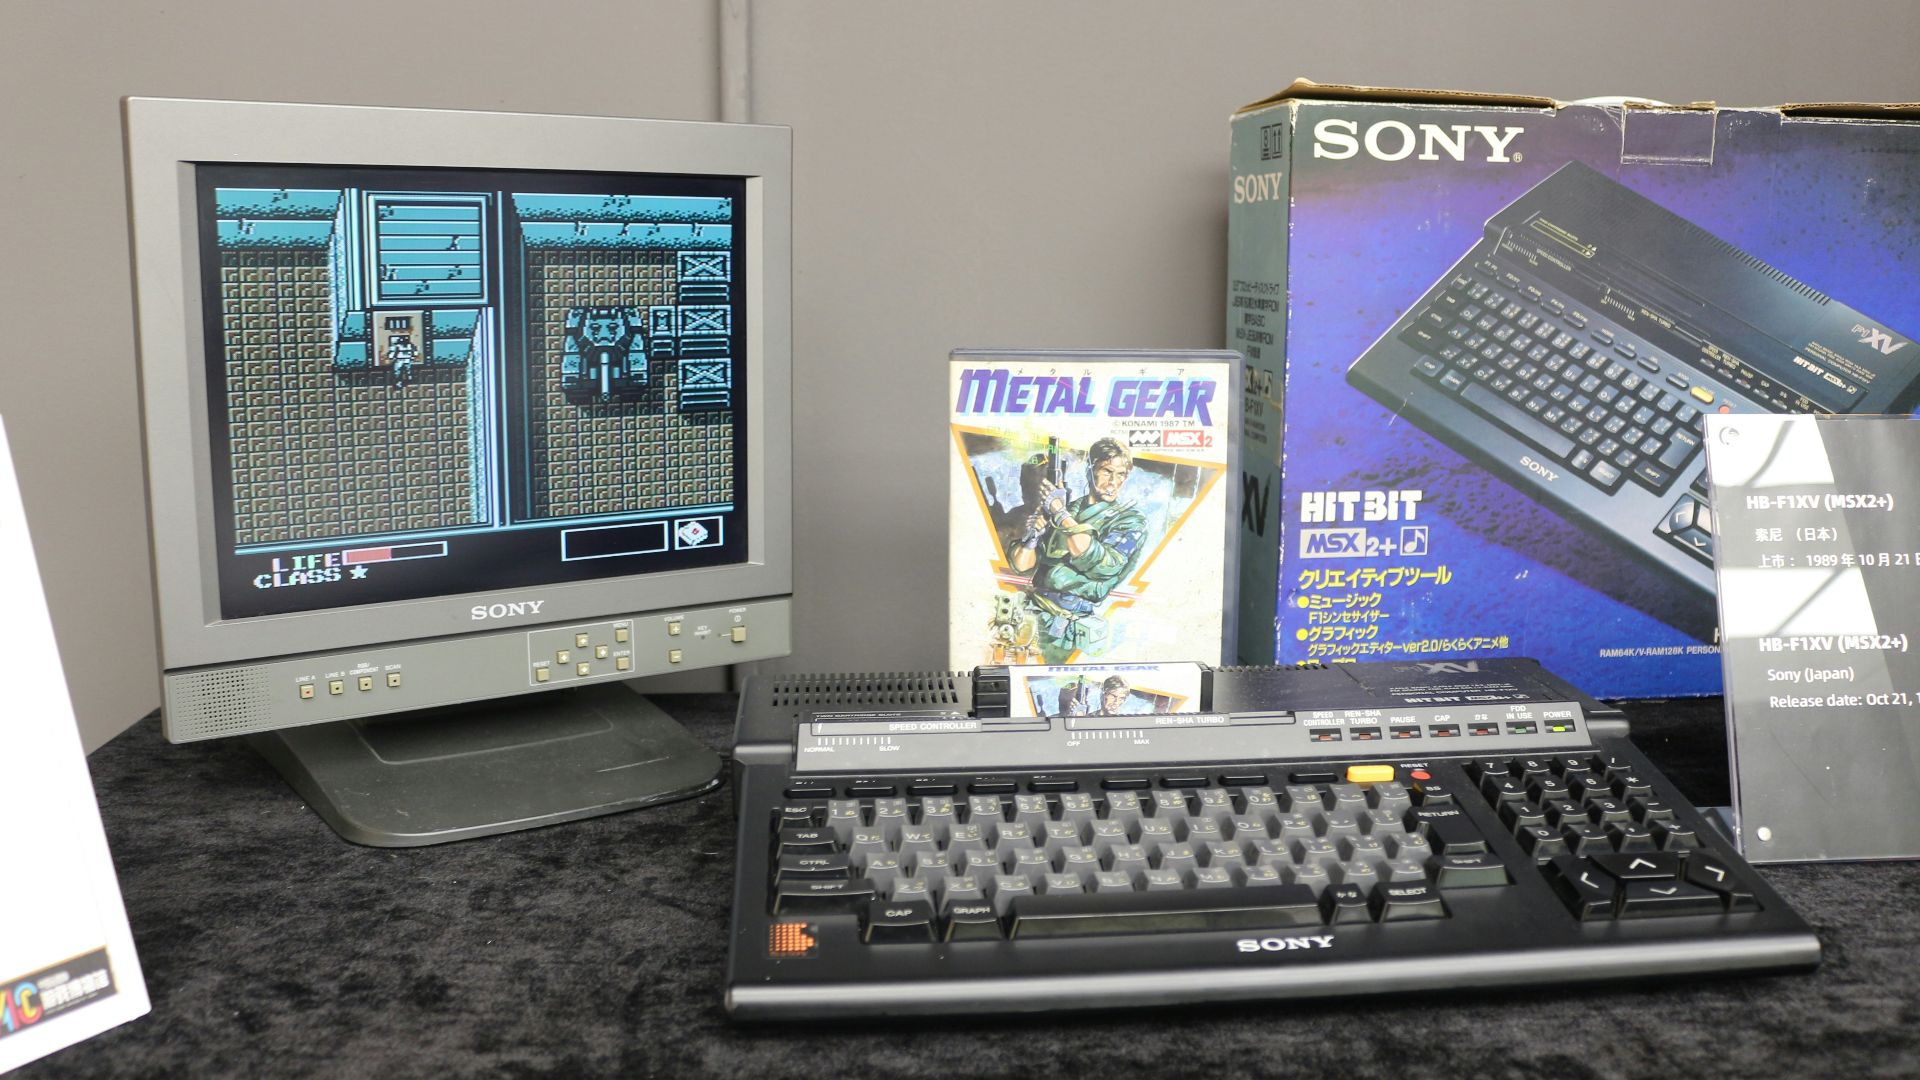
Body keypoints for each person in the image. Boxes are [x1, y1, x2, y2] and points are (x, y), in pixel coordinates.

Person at [1009, 436, 1147, 662]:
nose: (1113, 481)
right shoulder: (1070, 508)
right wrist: (1031, 538)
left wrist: (1061, 515)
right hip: (1031, 614)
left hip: (1065, 627)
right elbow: (1021, 567)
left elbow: (1102, 566)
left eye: (1120, 474)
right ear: (1090, 468)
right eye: (1106, 471)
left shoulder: (1130, 520)